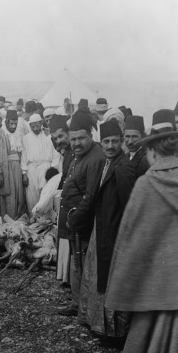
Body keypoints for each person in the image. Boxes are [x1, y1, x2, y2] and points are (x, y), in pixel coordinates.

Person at [106, 109, 178, 353]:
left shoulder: (146, 184)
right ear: (175, 144)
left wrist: (123, 283)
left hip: (154, 292)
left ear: (151, 149)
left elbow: (130, 240)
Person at [70, 119, 136, 342]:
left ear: (121, 141)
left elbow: (129, 205)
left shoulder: (123, 166)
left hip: (115, 231)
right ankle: (98, 323)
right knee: (99, 275)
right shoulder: (107, 163)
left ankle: (113, 331)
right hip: (103, 227)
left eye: (115, 141)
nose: (110, 146)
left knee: (109, 278)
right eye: (106, 141)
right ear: (101, 141)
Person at [58, 112, 105, 316]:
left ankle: (84, 307)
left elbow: (91, 195)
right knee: (77, 263)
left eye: (81, 138)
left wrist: (76, 219)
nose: (76, 143)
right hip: (74, 222)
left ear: (91, 136)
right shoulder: (79, 155)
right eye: (73, 138)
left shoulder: (95, 158)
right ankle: (77, 303)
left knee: (83, 265)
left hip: (83, 223)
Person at [48, 114, 74, 285]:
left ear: (68, 133)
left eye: (61, 136)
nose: (58, 141)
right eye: (55, 138)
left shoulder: (74, 152)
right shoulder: (66, 154)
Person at [0, 109, 26, 220]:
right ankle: (6, 221)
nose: (13, 126)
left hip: (18, 169)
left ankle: (16, 220)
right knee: (7, 197)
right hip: (5, 170)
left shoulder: (19, 135)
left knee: (18, 196)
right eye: (11, 123)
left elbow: (23, 154)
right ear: (6, 122)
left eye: (15, 123)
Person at [22, 113, 61, 214]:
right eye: (33, 126)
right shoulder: (26, 138)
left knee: (46, 194)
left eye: (37, 125)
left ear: (41, 123)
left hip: (46, 168)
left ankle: (47, 220)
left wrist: (52, 169)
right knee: (31, 197)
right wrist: (24, 173)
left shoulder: (49, 136)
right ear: (30, 126)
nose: (35, 128)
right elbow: (24, 156)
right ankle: (34, 220)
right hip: (31, 168)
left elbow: (56, 154)